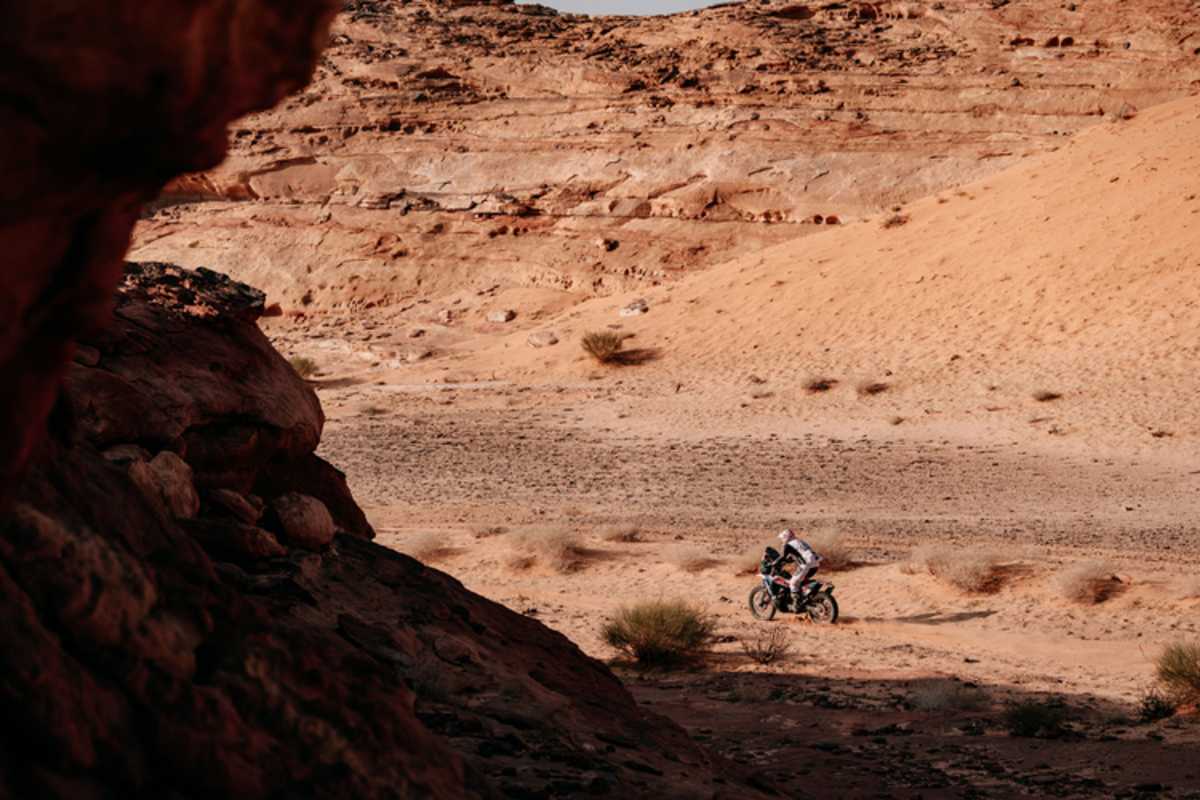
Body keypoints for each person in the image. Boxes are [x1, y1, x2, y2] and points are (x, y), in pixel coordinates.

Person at [775, 529, 822, 599]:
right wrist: (789, 560)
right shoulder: (801, 541)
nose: (782, 540)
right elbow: (799, 554)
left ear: (786, 537)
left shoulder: (788, 545)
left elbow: (783, 556)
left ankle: (797, 602)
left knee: (792, 583)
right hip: (816, 564)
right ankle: (806, 596)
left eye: (782, 538)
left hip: (806, 565)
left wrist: (774, 563)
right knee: (801, 581)